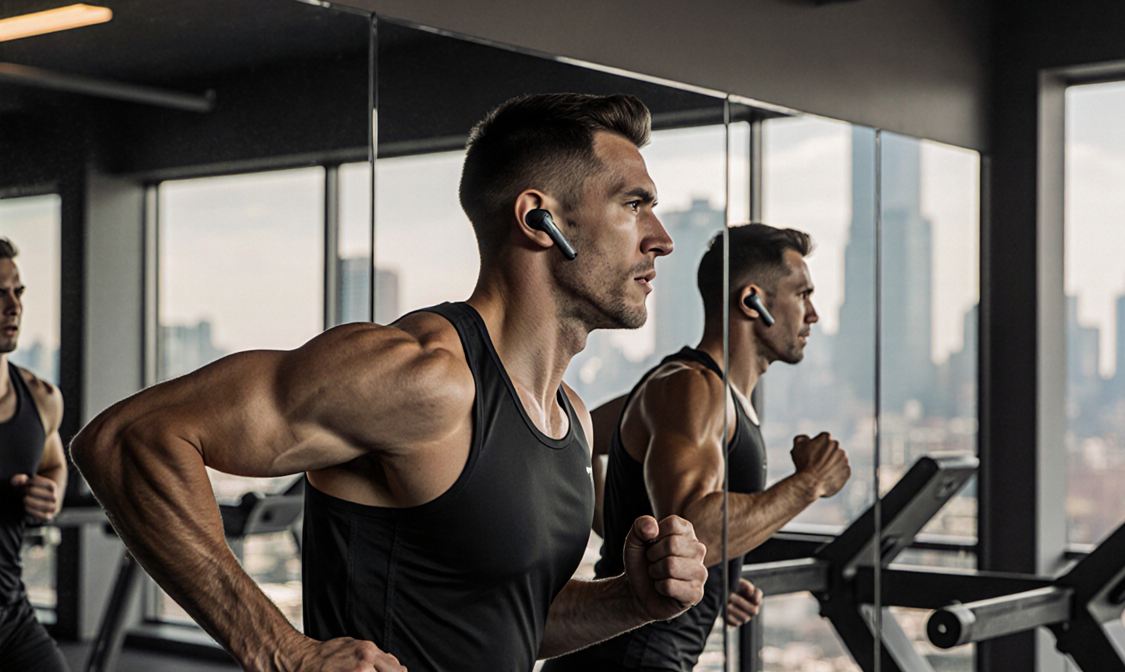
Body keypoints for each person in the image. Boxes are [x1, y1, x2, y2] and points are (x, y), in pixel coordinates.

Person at [71, 93, 710, 672]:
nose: (661, 240)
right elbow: (129, 439)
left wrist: (632, 601)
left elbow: (508, 618)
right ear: (539, 220)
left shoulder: (569, 417)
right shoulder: (425, 377)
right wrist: (280, 650)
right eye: (634, 206)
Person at [545, 224, 851, 671]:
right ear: (753, 301)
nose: (814, 315)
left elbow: (583, 432)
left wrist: (707, 577)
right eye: (802, 294)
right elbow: (692, 527)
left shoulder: (702, 391)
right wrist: (809, 484)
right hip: (627, 658)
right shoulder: (692, 388)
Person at [0, 238, 70, 672]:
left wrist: (51, 493)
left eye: (18, 291)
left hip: (10, 615)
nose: (13, 306)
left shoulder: (41, 397)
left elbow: (53, 463)